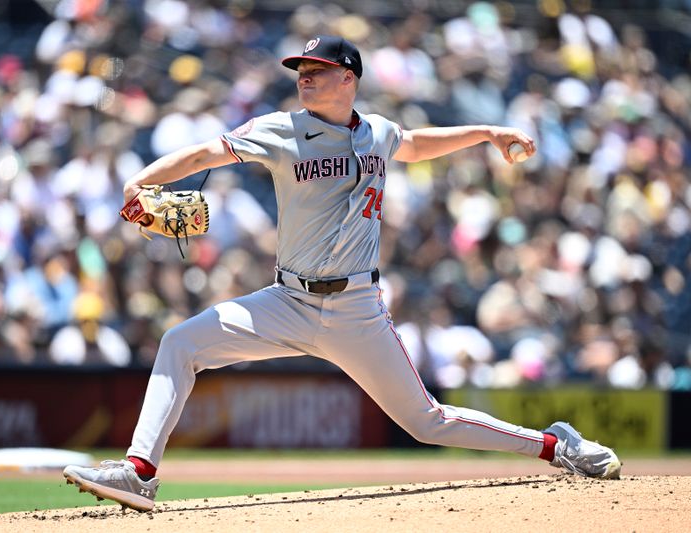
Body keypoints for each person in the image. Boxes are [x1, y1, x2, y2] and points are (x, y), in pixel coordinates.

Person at [63, 36, 621, 511]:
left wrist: (487, 132)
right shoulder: (280, 129)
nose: (304, 78)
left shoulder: (376, 132)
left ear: (348, 77)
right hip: (286, 301)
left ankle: (555, 446)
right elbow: (204, 155)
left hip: (356, 308)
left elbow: (418, 143)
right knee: (180, 342)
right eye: (301, 71)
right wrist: (140, 181)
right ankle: (140, 471)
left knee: (426, 421)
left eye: (317, 70)